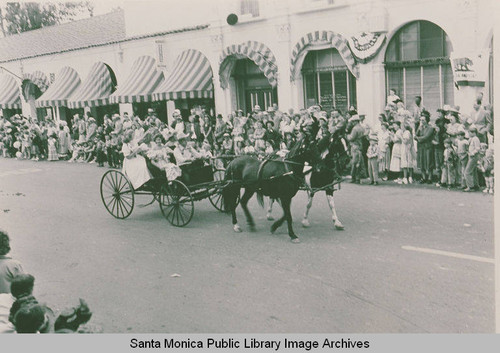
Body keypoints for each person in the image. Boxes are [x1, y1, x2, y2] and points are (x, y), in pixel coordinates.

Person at [415, 111, 434, 183]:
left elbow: (426, 137)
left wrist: (418, 138)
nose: (421, 121)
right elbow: (415, 135)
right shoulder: (420, 127)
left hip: (428, 147)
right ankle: (423, 177)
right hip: (421, 147)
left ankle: (430, 178)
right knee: (421, 162)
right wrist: (419, 129)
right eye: (420, 120)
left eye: (423, 120)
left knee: (428, 162)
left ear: (427, 120)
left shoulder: (430, 128)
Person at [347, 115, 364, 184]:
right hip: (360, 146)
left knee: (354, 163)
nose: (352, 123)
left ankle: (354, 178)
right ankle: (358, 177)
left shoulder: (355, 129)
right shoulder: (362, 127)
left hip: (354, 146)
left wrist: (347, 136)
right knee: (358, 162)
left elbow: (351, 138)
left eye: (353, 121)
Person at [463, 126, 481, 192]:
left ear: (474, 132)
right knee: (473, 171)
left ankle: (470, 186)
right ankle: (476, 185)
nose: (469, 134)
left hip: (473, 156)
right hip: (472, 156)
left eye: (470, 132)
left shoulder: (475, 139)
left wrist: (472, 153)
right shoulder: (472, 138)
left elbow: (477, 148)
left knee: (467, 172)